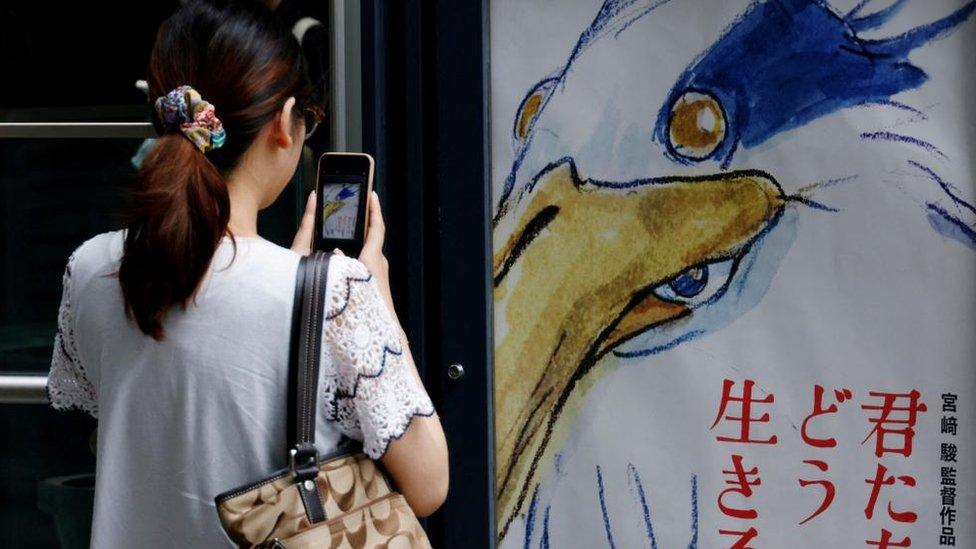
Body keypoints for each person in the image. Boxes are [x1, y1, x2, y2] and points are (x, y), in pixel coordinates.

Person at [44, 1, 448, 546]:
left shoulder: (90, 268)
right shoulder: (333, 293)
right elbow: (429, 485)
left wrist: (305, 283)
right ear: (285, 123)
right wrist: (372, 301)